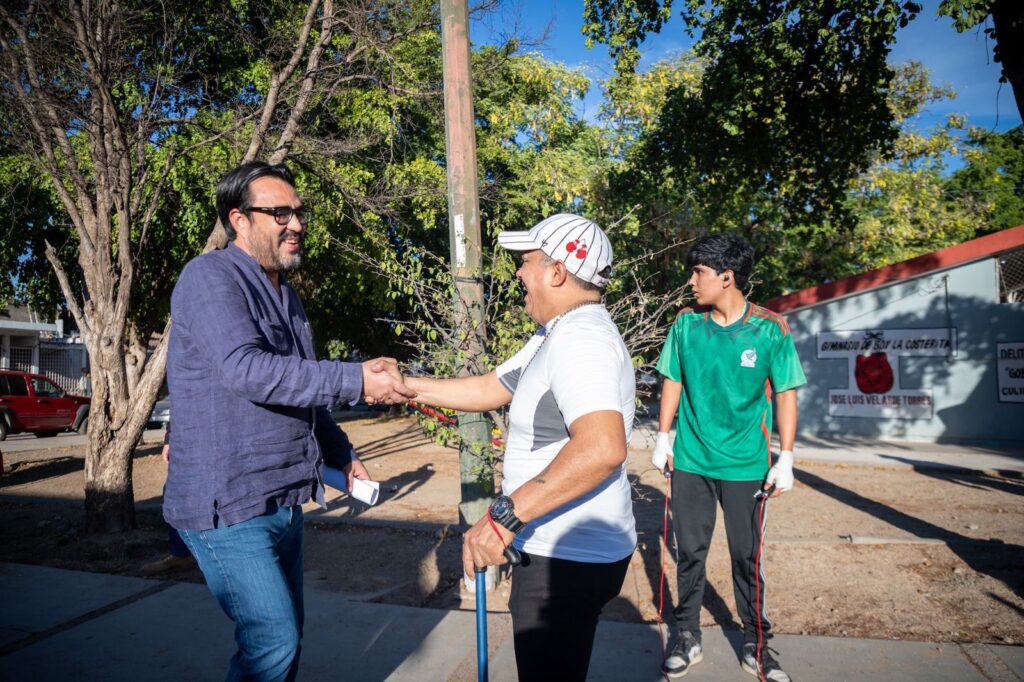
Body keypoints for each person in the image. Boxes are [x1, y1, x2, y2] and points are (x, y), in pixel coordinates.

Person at [165, 161, 414, 681]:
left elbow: (304, 392)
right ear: (239, 219)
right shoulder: (209, 277)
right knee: (270, 641)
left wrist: (343, 456)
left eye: (298, 212)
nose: (296, 223)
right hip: (227, 505)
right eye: (279, 212)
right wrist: (357, 379)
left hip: (283, 500)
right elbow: (247, 370)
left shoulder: (289, 296)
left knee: (286, 638)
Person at [406, 214, 637, 681]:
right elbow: (491, 387)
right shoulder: (556, 332)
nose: (518, 273)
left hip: (565, 558)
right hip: (560, 550)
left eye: (527, 261)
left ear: (557, 272)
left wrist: (503, 519)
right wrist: (404, 386)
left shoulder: (581, 339)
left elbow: (602, 447)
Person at [651, 233, 806, 681]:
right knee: (690, 554)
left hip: (747, 466)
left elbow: (786, 396)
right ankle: (687, 636)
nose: (692, 280)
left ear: (727, 276)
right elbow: (673, 381)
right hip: (693, 463)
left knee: (746, 557)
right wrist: (664, 437)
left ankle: (757, 644)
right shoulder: (685, 324)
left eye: (699, 272)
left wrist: (787, 458)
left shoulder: (770, 329)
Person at [141, 421, 196, 576]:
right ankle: (181, 554)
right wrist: (169, 438)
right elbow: (180, 401)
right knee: (173, 494)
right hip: (188, 438)